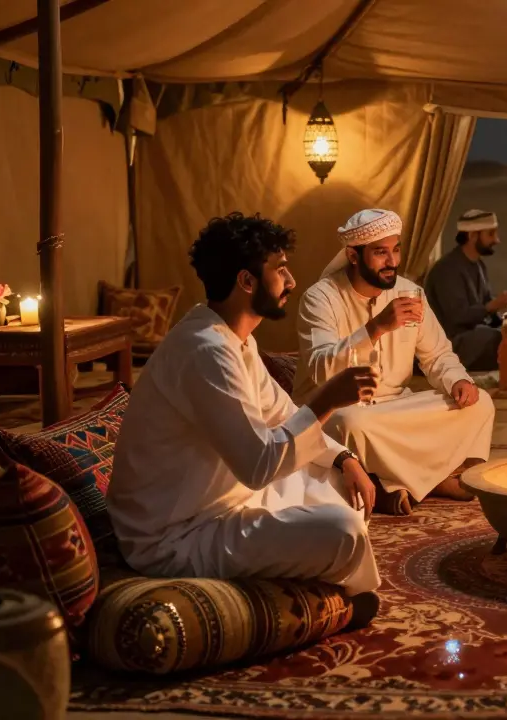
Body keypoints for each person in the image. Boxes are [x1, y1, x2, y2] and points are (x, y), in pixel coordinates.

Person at [108, 212, 382, 625]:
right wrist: (328, 398)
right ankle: (345, 605)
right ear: (247, 281)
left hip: (225, 497)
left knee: (342, 482)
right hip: (178, 533)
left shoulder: (235, 339)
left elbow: (283, 414)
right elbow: (258, 467)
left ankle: (322, 574)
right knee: (342, 530)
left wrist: (345, 459)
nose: (291, 281)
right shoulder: (206, 351)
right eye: (280, 270)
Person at [295, 209, 495, 516]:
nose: (392, 261)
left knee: (479, 403)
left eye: (396, 250)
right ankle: (429, 479)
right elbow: (322, 371)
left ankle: (401, 481)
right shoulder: (320, 298)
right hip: (341, 409)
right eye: (380, 252)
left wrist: (457, 380)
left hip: (396, 408)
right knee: (353, 424)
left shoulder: (409, 293)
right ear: (353, 256)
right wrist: (375, 328)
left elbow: (437, 355)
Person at [424, 209, 507, 371]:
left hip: (474, 334)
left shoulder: (478, 265)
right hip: (450, 342)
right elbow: (457, 317)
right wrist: (492, 306)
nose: (497, 240)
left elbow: (485, 306)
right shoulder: (447, 269)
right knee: (498, 339)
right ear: (472, 236)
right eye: (491, 234)